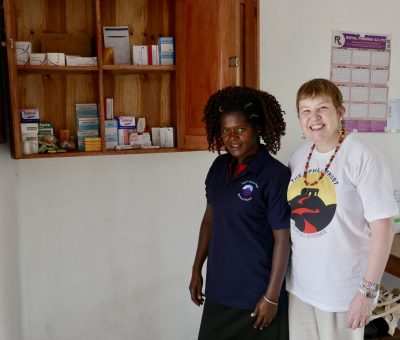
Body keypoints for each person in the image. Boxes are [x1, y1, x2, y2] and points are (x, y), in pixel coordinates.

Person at [286, 78, 399, 340]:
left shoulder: (362, 155)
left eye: (322, 108)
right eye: (306, 111)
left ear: (340, 112)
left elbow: (384, 230)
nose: (314, 117)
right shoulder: (300, 156)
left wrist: (366, 294)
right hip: (300, 288)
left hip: (341, 294)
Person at [189, 86, 291, 340]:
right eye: (225, 131)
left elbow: (283, 239)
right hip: (219, 289)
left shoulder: (274, 175)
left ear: (257, 128)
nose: (232, 138)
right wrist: (196, 270)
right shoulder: (219, 167)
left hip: (256, 296)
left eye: (240, 130)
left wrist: (272, 297)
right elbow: (209, 223)